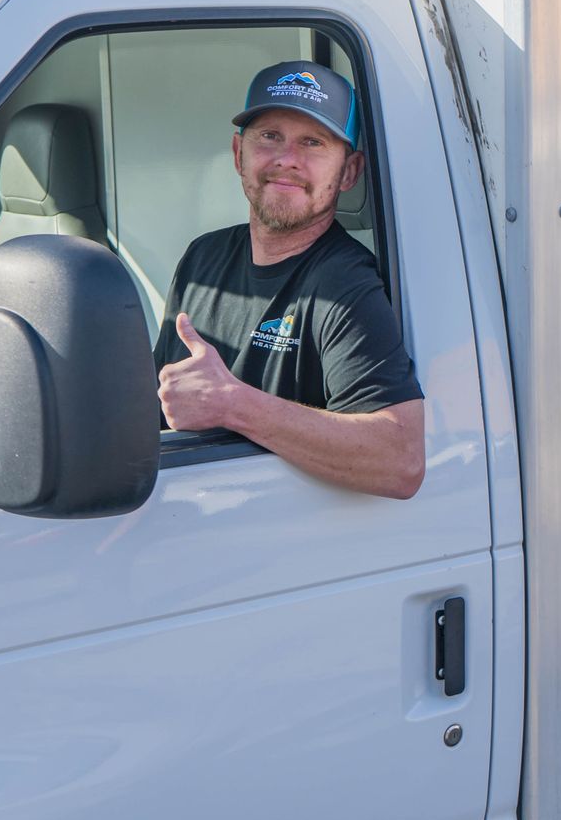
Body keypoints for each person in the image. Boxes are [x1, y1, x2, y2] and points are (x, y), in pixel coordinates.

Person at [154, 61, 425, 498]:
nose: (286, 159)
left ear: (349, 173)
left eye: (313, 143)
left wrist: (232, 404)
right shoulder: (202, 258)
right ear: (239, 154)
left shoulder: (344, 285)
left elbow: (400, 460)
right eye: (270, 136)